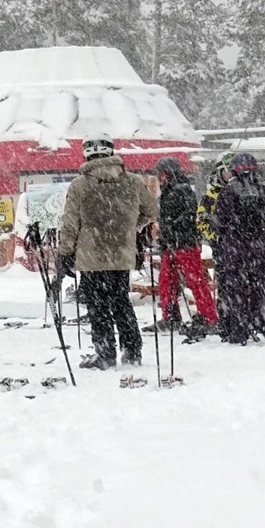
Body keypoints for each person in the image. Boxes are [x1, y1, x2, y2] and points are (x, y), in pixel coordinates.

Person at [57, 135, 158, 369]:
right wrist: (132, 226)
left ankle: (105, 354)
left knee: (98, 306)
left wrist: (65, 252)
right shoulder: (132, 181)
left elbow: (70, 223)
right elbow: (152, 209)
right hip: (122, 254)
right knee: (122, 302)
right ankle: (132, 351)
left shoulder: (80, 185)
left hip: (90, 256)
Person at [212, 153, 265, 344]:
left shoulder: (227, 192)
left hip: (235, 246)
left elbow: (219, 220)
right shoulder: (262, 190)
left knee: (235, 289)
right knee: (262, 288)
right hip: (258, 246)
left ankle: (238, 331)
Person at [153, 157, 218, 338]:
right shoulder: (170, 190)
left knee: (195, 281)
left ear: (168, 173)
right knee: (166, 280)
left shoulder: (182, 190)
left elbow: (188, 216)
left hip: (184, 244)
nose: (158, 177)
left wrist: (173, 230)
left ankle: (209, 317)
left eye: (160, 173)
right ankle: (171, 316)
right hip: (172, 244)